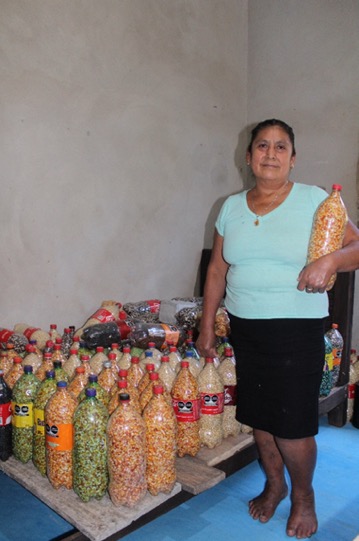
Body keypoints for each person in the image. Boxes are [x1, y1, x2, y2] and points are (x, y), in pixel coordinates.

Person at [196, 119, 359, 539]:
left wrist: (330, 262)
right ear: (248, 156)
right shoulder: (230, 207)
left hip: (295, 329)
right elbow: (217, 268)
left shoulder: (315, 200)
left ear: (293, 158)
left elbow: (357, 246)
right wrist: (207, 326)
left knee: (293, 424)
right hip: (246, 329)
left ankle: (304, 497)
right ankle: (275, 485)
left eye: (281, 147)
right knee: (260, 417)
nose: (271, 153)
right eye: (262, 146)